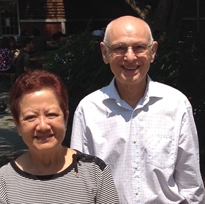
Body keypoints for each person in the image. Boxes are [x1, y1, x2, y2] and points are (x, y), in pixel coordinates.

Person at [70, 15, 205, 203]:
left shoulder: (176, 104)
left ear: (153, 51)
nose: (130, 56)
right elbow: (82, 185)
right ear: (105, 53)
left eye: (139, 47)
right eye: (119, 48)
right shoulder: (88, 110)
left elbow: (190, 183)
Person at [0, 70, 119, 203]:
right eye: (31, 117)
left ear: (66, 118)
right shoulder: (1, 183)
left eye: (51, 114)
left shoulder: (96, 173)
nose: (43, 126)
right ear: (17, 124)